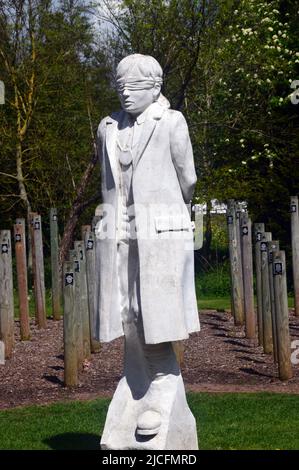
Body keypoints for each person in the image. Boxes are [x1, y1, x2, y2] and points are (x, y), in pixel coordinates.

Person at [94, 54, 200, 449]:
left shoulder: (171, 123)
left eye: (134, 87)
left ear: (154, 88)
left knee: (152, 310)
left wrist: (165, 213)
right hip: (121, 233)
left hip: (159, 235)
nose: (125, 94)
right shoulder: (108, 128)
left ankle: (159, 386)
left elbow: (187, 178)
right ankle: (137, 382)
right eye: (120, 87)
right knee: (127, 311)